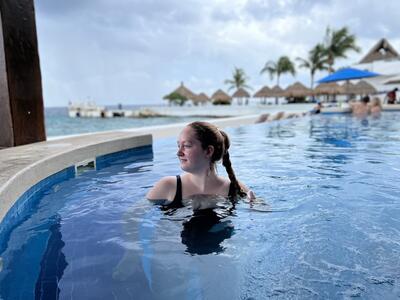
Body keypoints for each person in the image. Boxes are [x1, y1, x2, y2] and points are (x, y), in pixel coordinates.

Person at [146, 121, 255, 206]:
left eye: (187, 146)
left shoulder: (235, 188)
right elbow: (135, 216)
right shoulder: (168, 186)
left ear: (208, 151)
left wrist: (253, 205)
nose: (179, 153)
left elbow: (262, 211)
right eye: (179, 146)